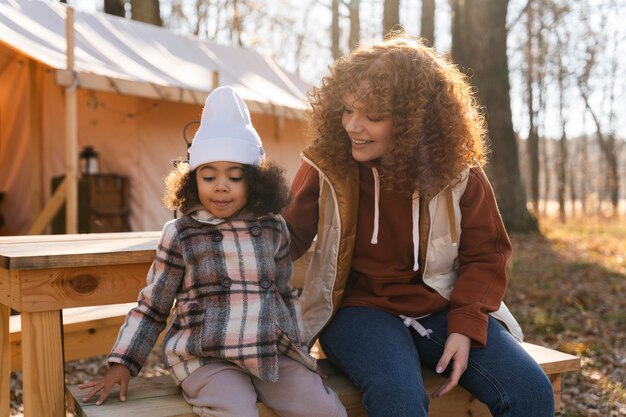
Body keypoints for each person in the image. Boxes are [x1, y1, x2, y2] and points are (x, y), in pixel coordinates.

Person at [282, 34, 555, 417]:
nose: (352, 126)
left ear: (414, 122)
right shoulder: (325, 166)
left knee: (529, 392)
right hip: (356, 309)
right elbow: (285, 239)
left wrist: (464, 326)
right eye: (346, 110)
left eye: (373, 116)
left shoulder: (460, 174)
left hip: (444, 305)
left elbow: (487, 255)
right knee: (400, 399)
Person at [79, 86, 347, 417]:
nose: (221, 186)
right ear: (192, 181)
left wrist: (300, 354)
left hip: (267, 349)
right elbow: (152, 306)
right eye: (209, 176)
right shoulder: (181, 234)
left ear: (255, 181)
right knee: (234, 411)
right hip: (206, 355)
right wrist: (123, 362)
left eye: (234, 177)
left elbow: (283, 296)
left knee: (322, 407)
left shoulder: (273, 227)